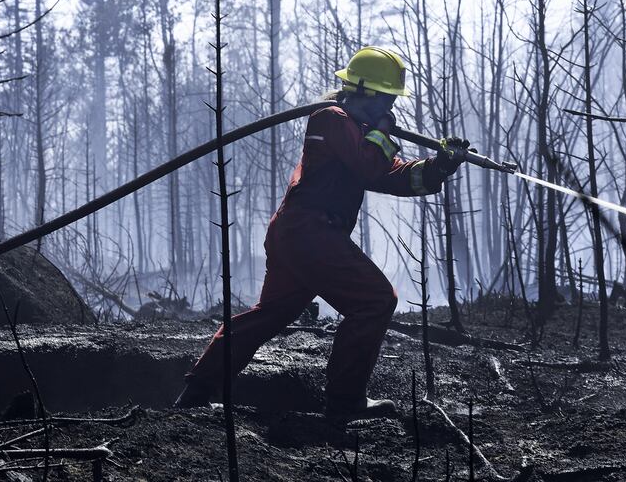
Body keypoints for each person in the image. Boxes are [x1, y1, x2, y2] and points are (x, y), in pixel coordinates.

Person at [174, 46, 470, 420]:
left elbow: (390, 174)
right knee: (375, 300)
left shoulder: (359, 131)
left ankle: (198, 390)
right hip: (310, 233)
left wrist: (439, 166)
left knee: (271, 313)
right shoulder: (330, 118)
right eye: (387, 100)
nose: (391, 110)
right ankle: (346, 402)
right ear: (367, 93)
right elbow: (367, 165)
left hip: (301, 235)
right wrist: (381, 133)